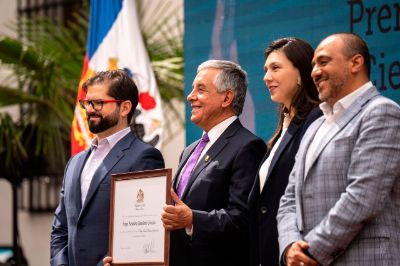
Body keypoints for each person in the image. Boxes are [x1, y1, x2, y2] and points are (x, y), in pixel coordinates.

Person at [277, 32, 400, 266]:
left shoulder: (381, 112)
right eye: (313, 65)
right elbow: (289, 199)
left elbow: (363, 197)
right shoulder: (315, 126)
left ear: (355, 62)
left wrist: (310, 253)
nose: (314, 72)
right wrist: (290, 246)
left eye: (323, 62)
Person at [50, 69, 165, 266]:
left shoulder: (144, 157)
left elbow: (143, 230)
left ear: (125, 108)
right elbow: (61, 228)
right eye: (87, 103)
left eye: (99, 103)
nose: (90, 109)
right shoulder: (74, 163)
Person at [248, 37, 321, 266]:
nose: (266, 77)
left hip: (301, 252)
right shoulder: (281, 130)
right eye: (266, 69)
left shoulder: (317, 121)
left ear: (301, 72)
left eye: (276, 68)